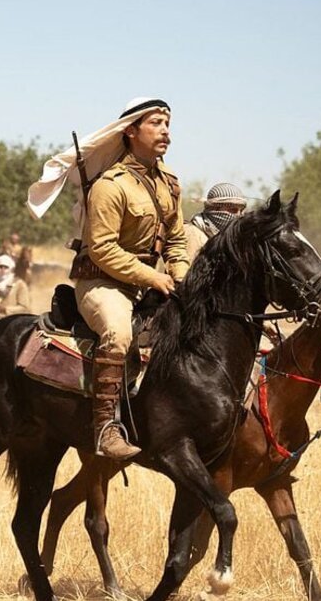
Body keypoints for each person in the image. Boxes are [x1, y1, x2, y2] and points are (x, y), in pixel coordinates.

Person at [70, 97, 189, 460]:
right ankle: (106, 428)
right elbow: (102, 248)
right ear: (131, 131)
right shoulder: (111, 184)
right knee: (119, 333)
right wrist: (152, 277)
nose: (165, 131)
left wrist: (181, 278)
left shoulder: (169, 183)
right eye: (156, 123)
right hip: (102, 282)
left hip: (150, 282)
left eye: (168, 124)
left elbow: (176, 240)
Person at [183, 182, 248, 260]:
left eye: (241, 211)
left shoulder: (228, 240)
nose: (239, 215)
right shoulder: (193, 234)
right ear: (215, 209)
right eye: (233, 210)